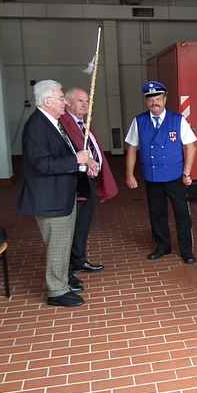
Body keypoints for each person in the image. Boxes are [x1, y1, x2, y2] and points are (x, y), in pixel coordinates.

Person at [18, 80, 95, 307]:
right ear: (48, 100)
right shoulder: (37, 126)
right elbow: (41, 164)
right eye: (61, 98)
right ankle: (56, 291)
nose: (65, 102)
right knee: (57, 244)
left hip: (60, 195)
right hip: (49, 198)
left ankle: (62, 281)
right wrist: (76, 160)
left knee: (62, 242)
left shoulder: (51, 122)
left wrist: (83, 163)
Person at [125, 81, 197, 264]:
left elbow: (191, 147)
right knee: (156, 214)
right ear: (146, 102)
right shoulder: (139, 121)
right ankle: (162, 246)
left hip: (175, 177)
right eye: (150, 100)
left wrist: (187, 173)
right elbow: (132, 148)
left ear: (165, 99)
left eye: (158, 99)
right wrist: (129, 174)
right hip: (152, 177)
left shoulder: (178, 120)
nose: (154, 103)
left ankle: (186, 250)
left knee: (182, 214)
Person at [60, 88, 119, 284]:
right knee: (74, 226)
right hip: (76, 183)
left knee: (84, 224)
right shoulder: (64, 124)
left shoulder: (81, 124)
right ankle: (68, 267)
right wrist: (88, 162)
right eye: (80, 101)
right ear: (67, 103)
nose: (85, 105)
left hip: (89, 181)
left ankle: (79, 260)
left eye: (87, 101)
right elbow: (71, 152)